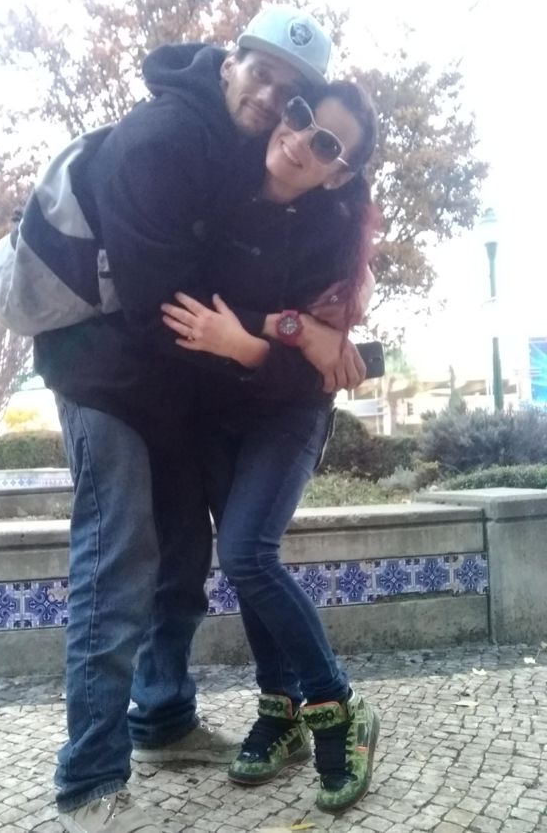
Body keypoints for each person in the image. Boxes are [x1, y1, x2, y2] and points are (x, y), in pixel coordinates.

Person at [16, 5, 347, 833]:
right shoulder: (164, 138)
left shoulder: (246, 152)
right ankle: (90, 781)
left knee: (184, 557)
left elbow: (264, 268)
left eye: (291, 93)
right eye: (261, 73)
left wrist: (308, 322)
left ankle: (162, 718)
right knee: (118, 560)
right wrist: (280, 342)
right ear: (229, 62)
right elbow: (162, 306)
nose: (271, 98)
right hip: (102, 373)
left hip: (164, 385)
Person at [161, 81, 380, 814]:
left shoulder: (334, 239)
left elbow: (316, 371)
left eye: (327, 143)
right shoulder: (217, 183)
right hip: (212, 411)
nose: (301, 139)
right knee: (247, 561)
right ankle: (279, 709)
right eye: (302, 116)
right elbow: (181, 297)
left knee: (248, 553)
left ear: (338, 173)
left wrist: (251, 341)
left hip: (287, 413)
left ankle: (337, 707)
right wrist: (287, 326)